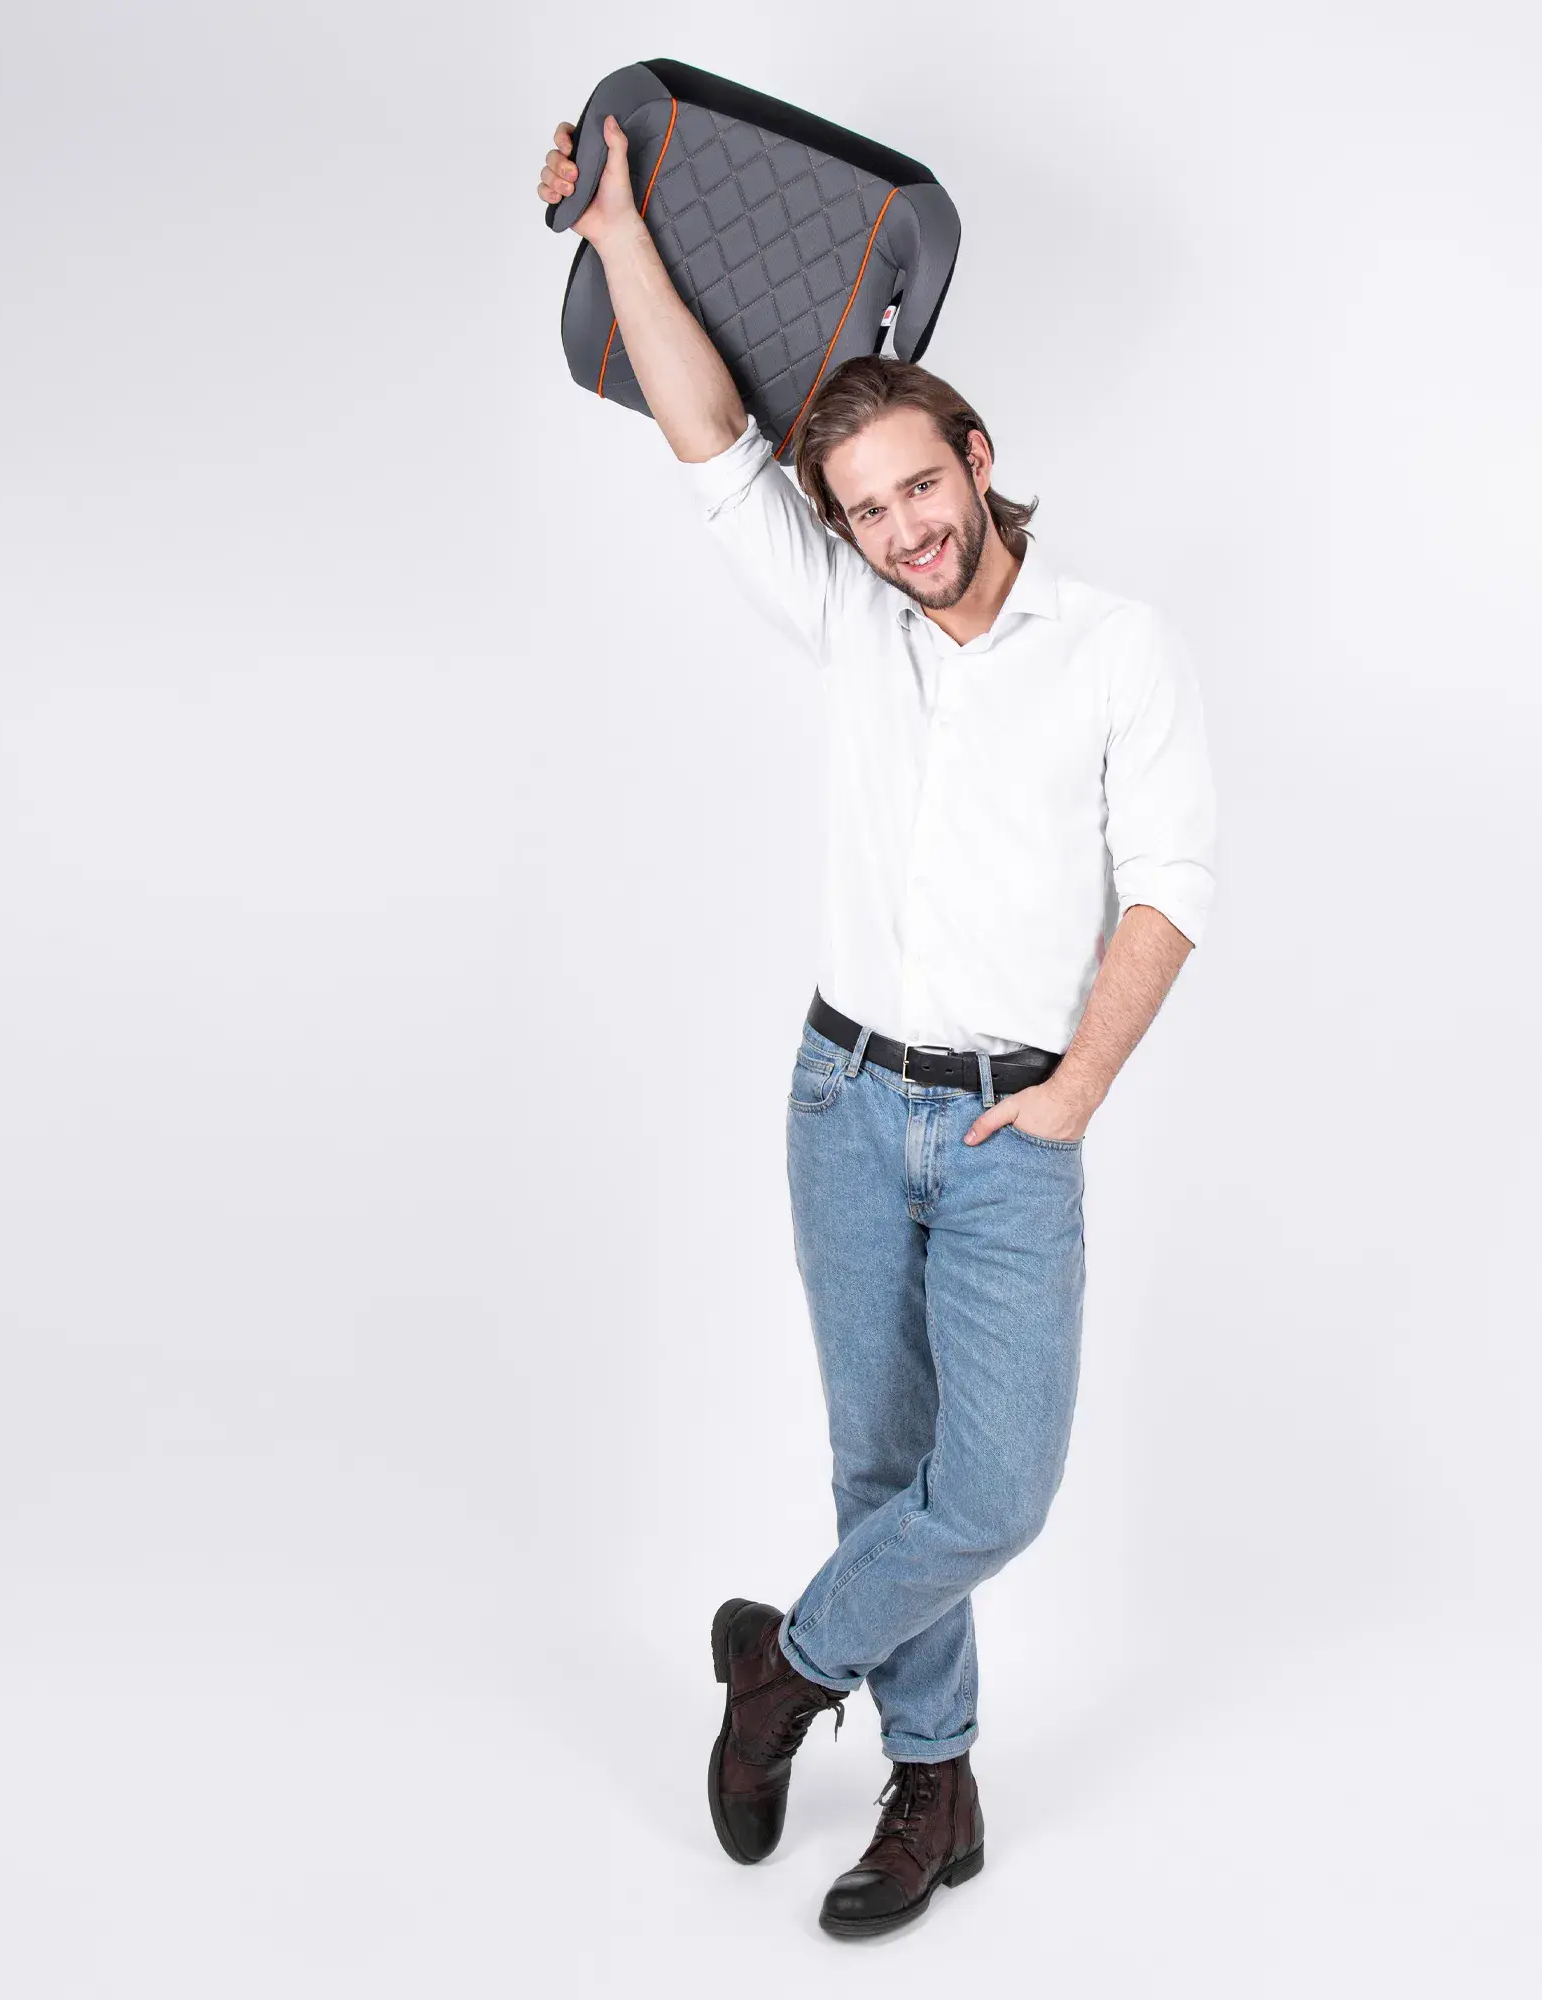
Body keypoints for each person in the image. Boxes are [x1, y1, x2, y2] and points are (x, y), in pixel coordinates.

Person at [536, 113, 1217, 1937]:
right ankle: (937, 1781)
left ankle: (781, 1664)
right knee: (876, 1464)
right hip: (842, 1100)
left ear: (976, 459)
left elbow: (1167, 892)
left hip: (1011, 1126)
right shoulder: (854, 618)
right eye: (866, 512)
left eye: (922, 489)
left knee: (990, 1491)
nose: (905, 533)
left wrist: (1073, 1095)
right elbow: (703, 433)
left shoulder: (1117, 649)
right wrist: (616, 230)